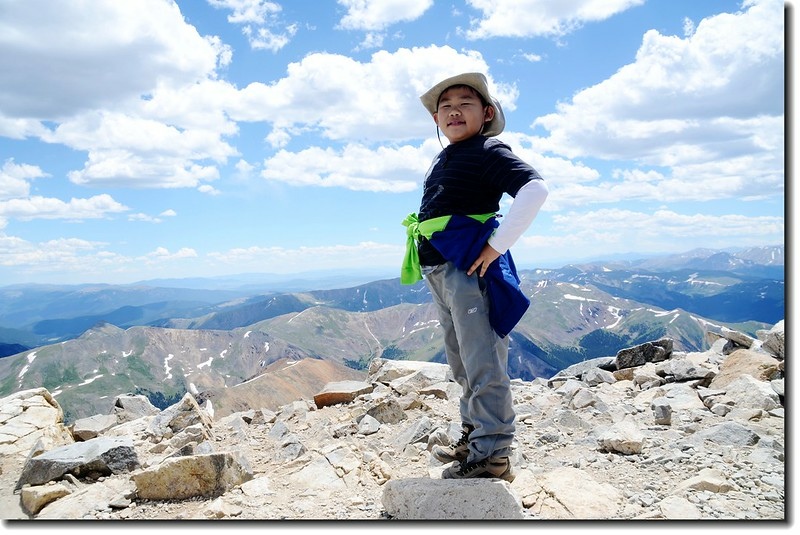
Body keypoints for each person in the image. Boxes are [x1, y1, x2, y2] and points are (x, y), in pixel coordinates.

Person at [401, 72, 549, 481]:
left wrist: (496, 246)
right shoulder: (451, 154)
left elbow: (534, 189)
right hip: (443, 268)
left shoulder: (487, 149)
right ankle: (475, 438)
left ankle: (493, 455)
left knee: (481, 360)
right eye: (444, 105)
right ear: (436, 119)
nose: (452, 110)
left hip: (467, 268)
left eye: (464, 102)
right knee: (463, 360)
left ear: (486, 114)